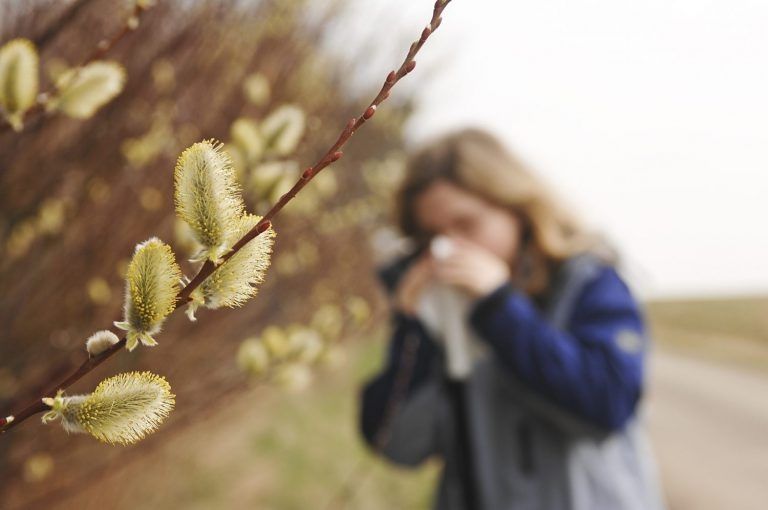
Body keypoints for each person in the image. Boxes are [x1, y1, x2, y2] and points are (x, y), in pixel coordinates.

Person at [358, 128, 666, 510]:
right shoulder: (442, 307)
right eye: (432, 235)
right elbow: (396, 446)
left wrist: (500, 309)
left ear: (518, 210)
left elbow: (608, 404)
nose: (447, 248)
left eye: (466, 224)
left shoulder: (587, 282)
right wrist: (413, 329)